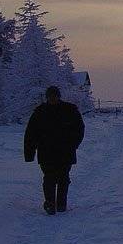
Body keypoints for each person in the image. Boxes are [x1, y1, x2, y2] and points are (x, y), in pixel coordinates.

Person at [24, 86, 85, 215]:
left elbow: (79, 129)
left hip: (65, 152)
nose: (52, 98)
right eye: (50, 96)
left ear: (59, 96)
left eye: (54, 96)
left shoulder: (70, 110)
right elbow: (31, 134)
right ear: (47, 97)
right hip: (46, 153)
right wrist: (29, 153)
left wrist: (73, 144)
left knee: (63, 178)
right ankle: (50, 204)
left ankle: (61, 204)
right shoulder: (40, 112)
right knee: (49, 178)